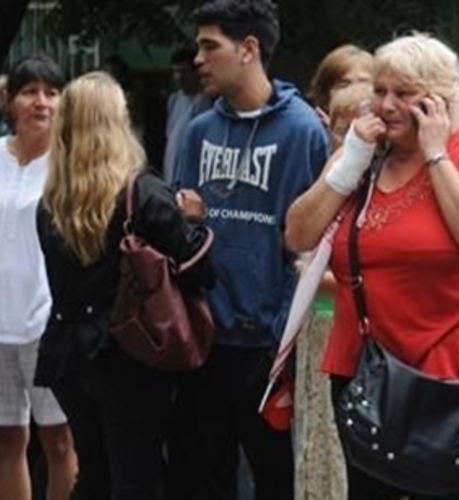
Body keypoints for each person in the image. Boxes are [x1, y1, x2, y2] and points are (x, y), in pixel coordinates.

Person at [285, 32, 459, 500]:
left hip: (446, 364)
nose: (387, 105)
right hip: (364, 362)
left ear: (439, 101)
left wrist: (435, 154)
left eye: (404, 94)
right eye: (381, 91)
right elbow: (298, 234)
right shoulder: (364, 158)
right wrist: (347, 163)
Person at [167, 1, 330, 499]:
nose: (198, 58)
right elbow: (179, 230)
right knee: (203, 475)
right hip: (205, 338)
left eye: (209, 45)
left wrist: (281, 332)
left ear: (249, 49)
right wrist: (186, 219)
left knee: (274, 477)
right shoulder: (199, 130)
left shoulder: (302, 131)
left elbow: (311, 242)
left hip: (267, 343)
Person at [34, 71, 215, 500]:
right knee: (135, 479)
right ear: (118, 122)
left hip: (68, 354)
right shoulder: (143, 192)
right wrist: (194, 220)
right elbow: (200, 272)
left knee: (93, 475)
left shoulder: (52, 201)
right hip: (129, 355)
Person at [0, 54, 77, 500]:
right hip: (0, 323)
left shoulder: (67, 166)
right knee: (8, 438)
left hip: (46, 322)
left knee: (60, 439)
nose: (41, 103)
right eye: (30, 91)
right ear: (10, 100)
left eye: (51, 92)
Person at [294, 80, 373, 500]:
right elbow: (298, 237)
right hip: (321, 326)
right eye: (342, 129)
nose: (349, 137)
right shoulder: (332, 180)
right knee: (318, 433)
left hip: (365, 336)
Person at [163, 45, 212, 184]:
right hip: (171, 171)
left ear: (196, 72)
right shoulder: (174, 100)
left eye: (184, 72)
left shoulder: (204, 101)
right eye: (176, 72)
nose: (179, 77)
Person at [306, 43, 373, 126]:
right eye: (344, 86)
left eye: (363, 84)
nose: (354, 92)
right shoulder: (313, 133)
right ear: (325, 95)